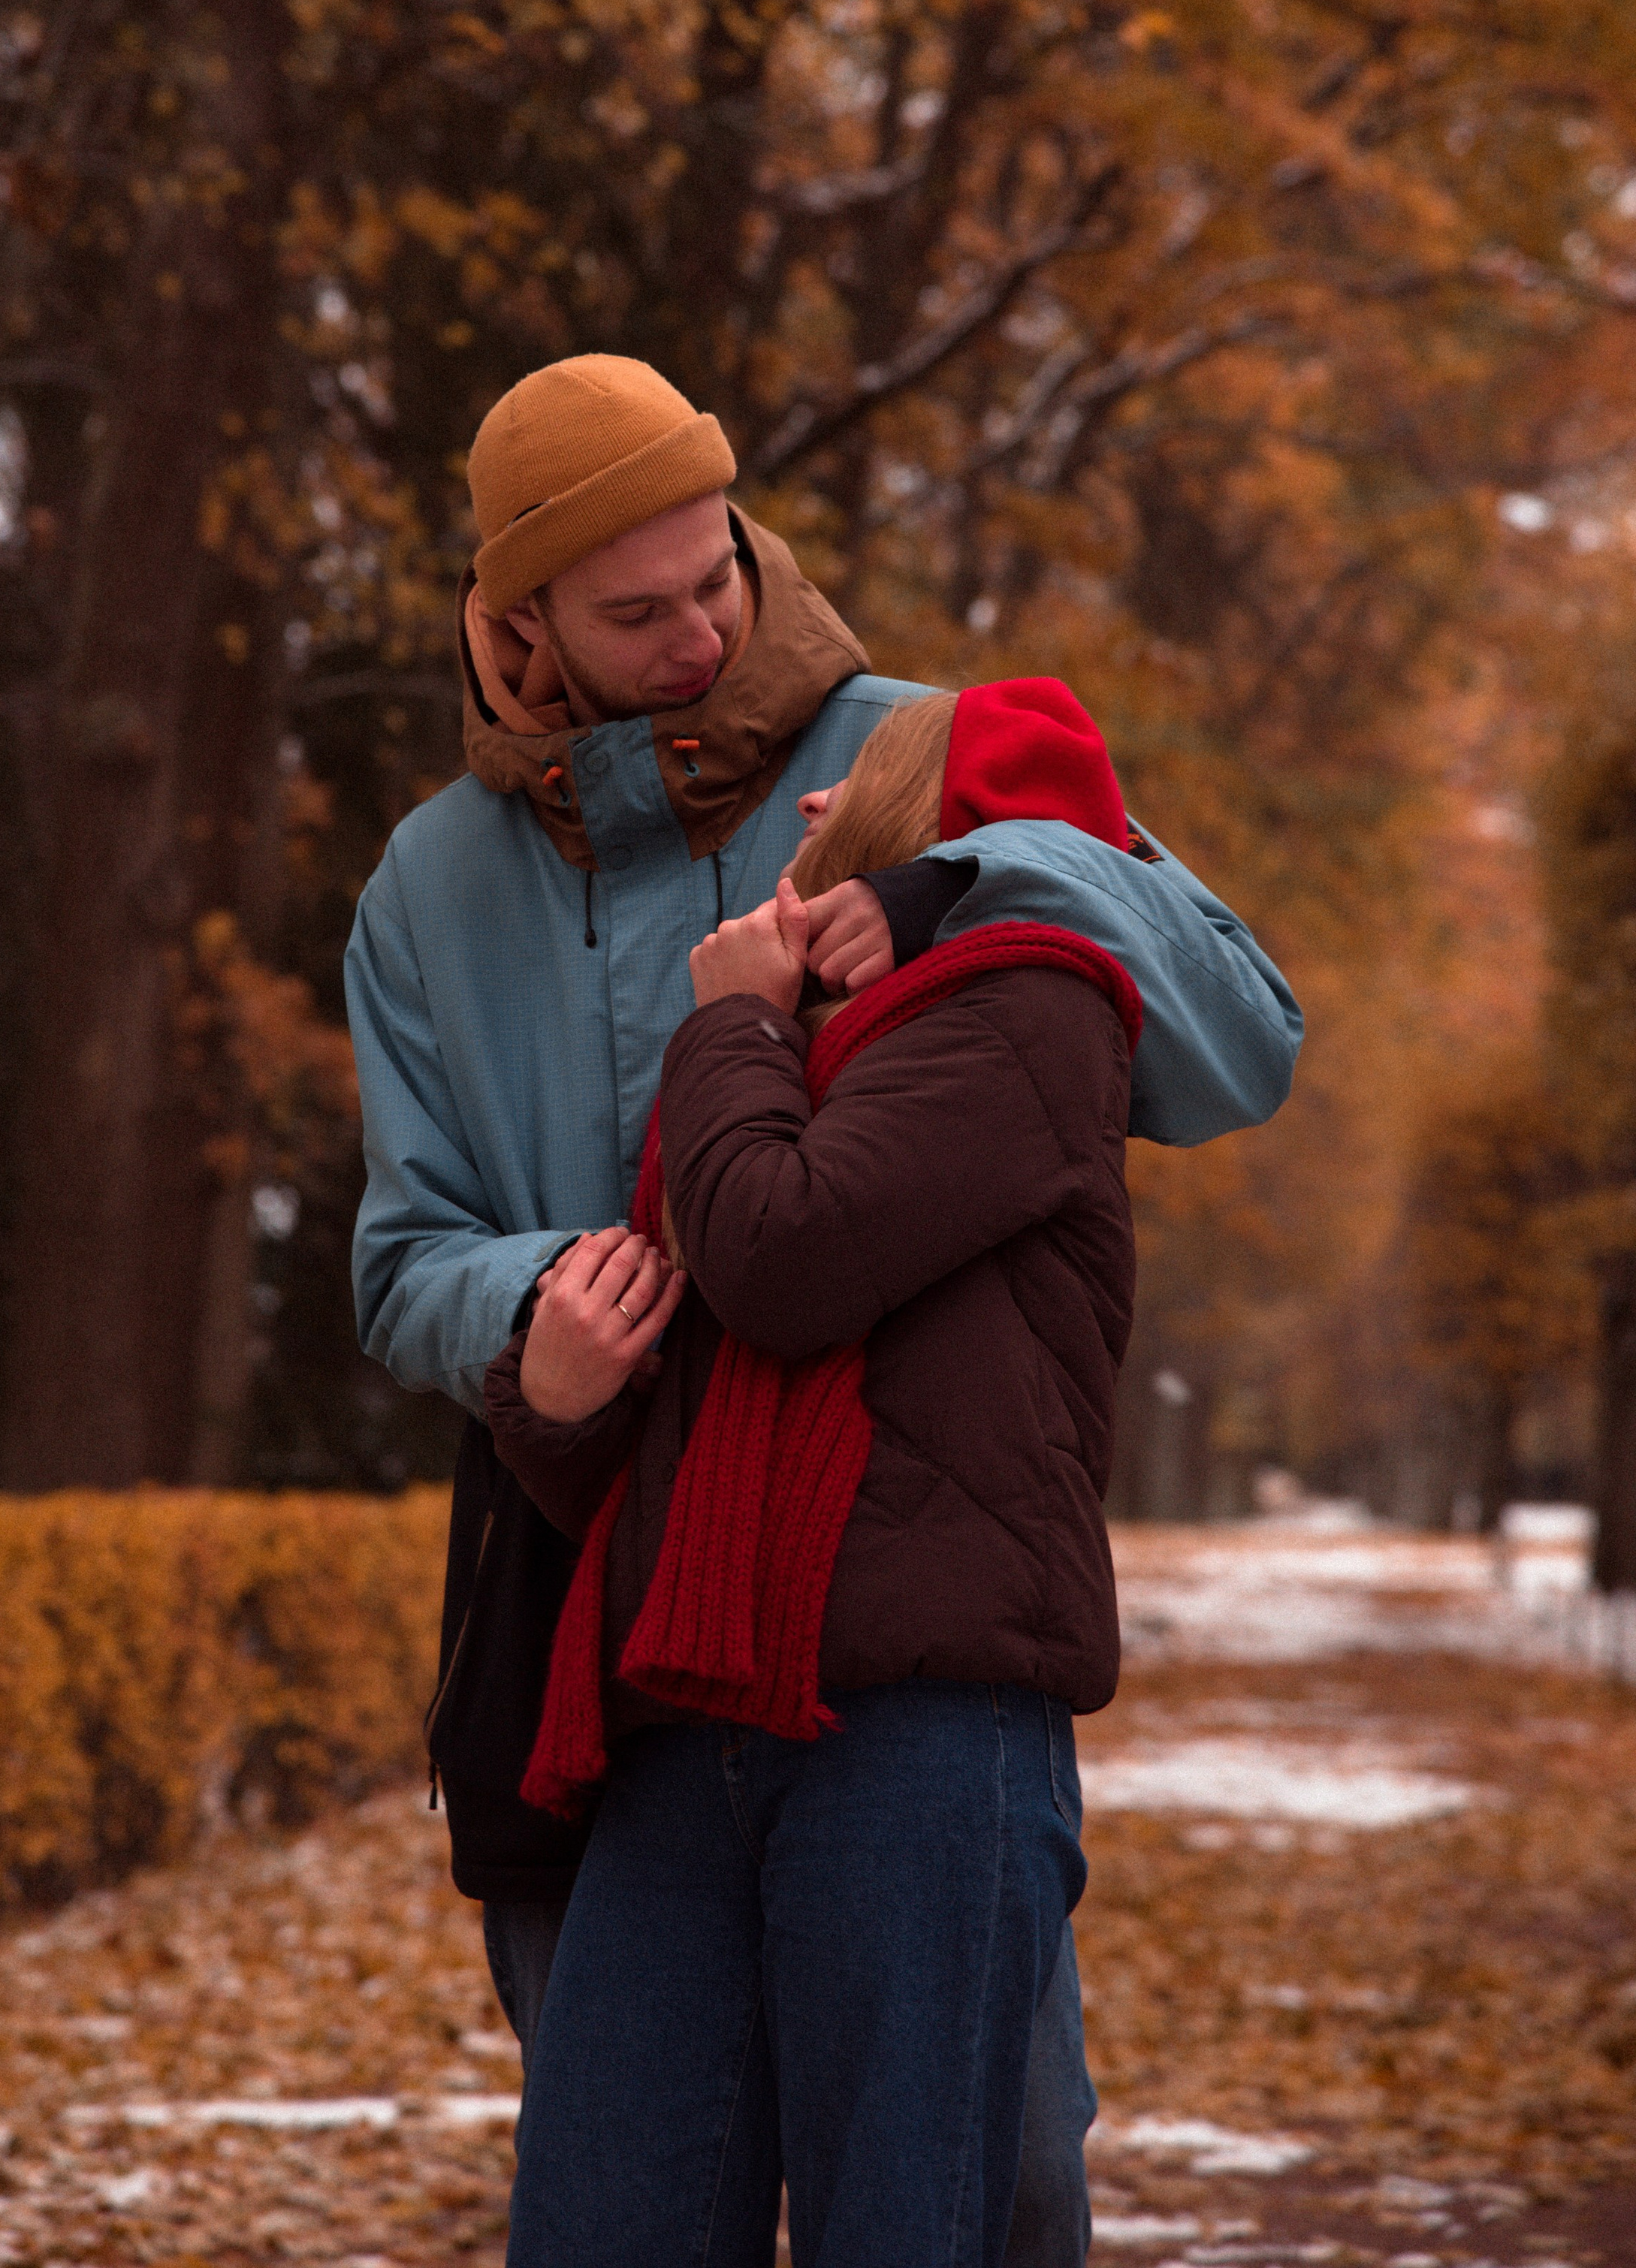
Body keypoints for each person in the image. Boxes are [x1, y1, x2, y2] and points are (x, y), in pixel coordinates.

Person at [343, 353, 1301, 2265]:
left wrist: (966, 874)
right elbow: (397, 1254)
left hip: (896, 1599)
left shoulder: (917, 756)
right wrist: (527, 1309)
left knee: (984, 2187)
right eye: (635, 611)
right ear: (517, 618)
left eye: (717, 574)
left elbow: (1234, 1046)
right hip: (607, 1593)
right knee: (623, 2198)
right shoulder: (427, 889)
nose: (699, 631)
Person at [485, 680, 1142, 2265]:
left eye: (852, 789)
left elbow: (781, 1259)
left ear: (922, 823)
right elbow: (665, 1456)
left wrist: (719, 1020)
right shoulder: (787, 1053)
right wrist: (553, 1400)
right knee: (600, 2225)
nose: (806, 813)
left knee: (899, 2232)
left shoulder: (1032, 1014)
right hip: (684, 1721)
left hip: (914, 1741)